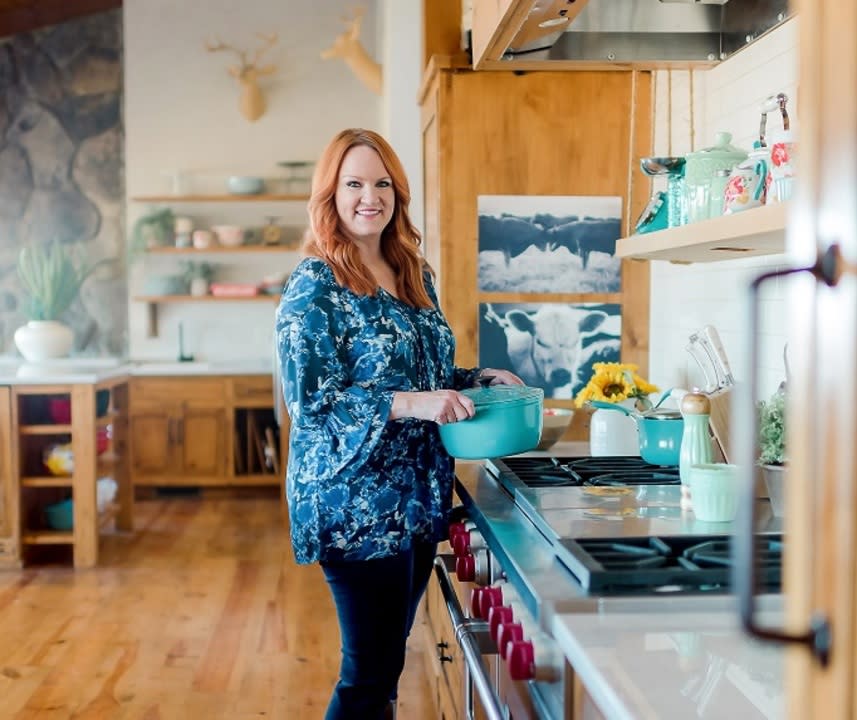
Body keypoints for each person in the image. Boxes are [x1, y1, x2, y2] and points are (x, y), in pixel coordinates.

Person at [275, 128, 523, 720]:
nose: (370, 196)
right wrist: (411, 403)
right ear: (330, 194)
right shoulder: (316, 282)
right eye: (354, 183)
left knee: (384, 670)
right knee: (367, 676)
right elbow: (311, 401)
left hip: (416, 498)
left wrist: (477, 378)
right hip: (354, 504)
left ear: (397, 193)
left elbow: (426, 374)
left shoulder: (411, 270)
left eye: (382, 183)